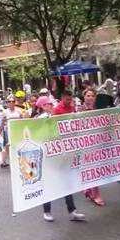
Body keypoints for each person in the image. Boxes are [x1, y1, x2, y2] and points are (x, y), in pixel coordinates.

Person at [41, 90, 87, 222]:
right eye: (67, 99)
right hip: (56, 152)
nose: (69, 102)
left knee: (67, 181)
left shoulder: (72, 108)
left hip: (68, 151)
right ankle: (47, 210)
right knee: (51, 181)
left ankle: (72, 210)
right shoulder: (57, 111)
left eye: (70, 99)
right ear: (61, 99)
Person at [80, 88, 105, 206]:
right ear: (84, 97)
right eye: (88, 95)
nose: (90, 98)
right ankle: (95, 194)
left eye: (92, 96)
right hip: (84, 144)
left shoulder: (97, 111)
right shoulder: (79, 110)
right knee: (92, 169)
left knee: (95, 169)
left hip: (96, 143)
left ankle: (89, 190)